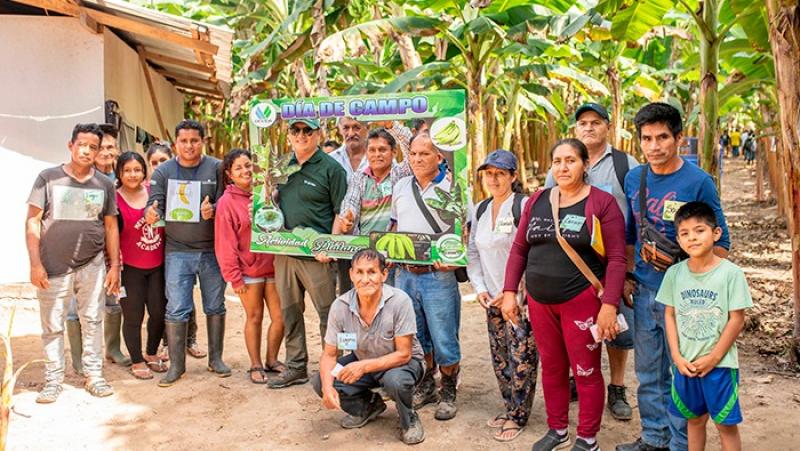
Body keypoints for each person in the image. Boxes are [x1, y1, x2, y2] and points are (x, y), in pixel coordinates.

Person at [617, 103, 730, 451]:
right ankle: (654, 438)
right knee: (648, 372)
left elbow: (721, 242)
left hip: (685, 299)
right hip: (646, 290)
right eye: (647, 138)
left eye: (663, 137)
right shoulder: (634, 178)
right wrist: (626, 276)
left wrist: (695, 283)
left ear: (679, 138)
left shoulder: (699, 182)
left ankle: (682, 444)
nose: (654, 145)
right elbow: (630, 232)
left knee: (685, 373)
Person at [502, 138, 626, 451]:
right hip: (540, 302)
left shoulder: (601, 203)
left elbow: (617, 258)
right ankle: (557, 430)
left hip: (581, 301)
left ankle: (587, 437)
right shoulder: (538, 200)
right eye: (557, 161)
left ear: (585, 164)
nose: (563, 167)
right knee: (553, 368)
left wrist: (609, 305)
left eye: (570, 160)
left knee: (585, 371)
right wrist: (508, 292)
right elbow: (519, 249)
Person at [545, 103, 639, 421]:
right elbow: (547, 212)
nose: (588, 128)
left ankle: (616, 387)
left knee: (615, 330)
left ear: (608, 126)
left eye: (595, 122)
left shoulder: (626, 165)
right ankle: (579, 378)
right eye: (582, 123)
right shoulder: (559, 165)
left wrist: (628, 272)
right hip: (572, 266)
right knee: (573, 330)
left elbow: (636, 222)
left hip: (613, 264)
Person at [26, 123, 119, 402]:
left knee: (92, 319)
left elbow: (111, 226)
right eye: (82, 144)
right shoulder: (48, 178)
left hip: (92, 264)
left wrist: (114, 266)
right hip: (52, 266)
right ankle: (53, 380)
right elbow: (33, 220)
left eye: (94, 147)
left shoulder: (103, 183)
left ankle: (94, 376)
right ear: (70, 145)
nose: (87, 151)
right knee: (52, 325)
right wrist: (35, 264)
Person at [658, 202, 751, 451]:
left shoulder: (731, 274)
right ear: (678, 239)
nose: (692, 238)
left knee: (725, 425)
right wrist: (676, 357)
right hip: (686, 366)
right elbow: (670, 314)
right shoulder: (674, 274)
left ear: (716, 233)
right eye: (685, 233)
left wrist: (714, 357)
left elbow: (737, 319)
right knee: (694, 420)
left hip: (720, 367)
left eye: (699, 230)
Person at [145, 119, 230, 387]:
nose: (189, 145)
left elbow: (226, 202)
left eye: (195, 140)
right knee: (177, 308)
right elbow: (154, 204)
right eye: (184, 141)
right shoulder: (164, 172)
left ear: (202, 142)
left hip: (211, 251)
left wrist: (213, 210)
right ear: (175, 144)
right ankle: (177, 366)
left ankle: (216, 360)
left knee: (215, 305)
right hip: (177, 251)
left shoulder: (216, 168)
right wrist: (151, 213)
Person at [312, 249, 426, 445]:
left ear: (384, 274)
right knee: (321, 381)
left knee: (396, 381)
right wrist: (328, 388)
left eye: (372, 272)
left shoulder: (399, 301)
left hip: (401, 364)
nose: (366, 279)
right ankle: (368, 406)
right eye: (360, 272)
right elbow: (329, 355)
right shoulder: (340, 306)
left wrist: (363, 367)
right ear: (351, 275)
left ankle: (409, 418)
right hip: (362, 359)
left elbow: (404, 354)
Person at [267, 118, 348, 389]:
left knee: (329, 314)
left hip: (318, 257)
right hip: (285, 253)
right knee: (290, 312)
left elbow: (340, 211)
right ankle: (296, 366)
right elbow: (269, 199)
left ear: (318, 134)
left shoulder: (331, 169)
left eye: (307, 131)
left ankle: (335, 368)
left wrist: (332, 247)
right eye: (296, 130)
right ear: (289, 134)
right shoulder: (281, 165)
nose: (301, 135)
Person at [467, 150, 538, 442]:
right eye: (489, 173)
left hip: (520, 301)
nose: (493, 179)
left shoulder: (523, 206)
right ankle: (510, 407)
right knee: (500, 359)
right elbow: (472, 251)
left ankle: (519, 416)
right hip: (491, 299)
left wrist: (515, 293)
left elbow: (533, 254)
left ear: (513, 176)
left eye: (500, 173)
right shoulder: (481, 208)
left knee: (522, 358)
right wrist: (480, 289)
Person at [391, 133, 462, 421]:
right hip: (405, 274)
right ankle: (427, 385)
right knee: (417, 336)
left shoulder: (452, 188)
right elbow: (395, 224)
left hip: (438, 276)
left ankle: (449, 390)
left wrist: (453, 260)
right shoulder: (400, 186)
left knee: (444, 336)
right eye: (414, 154)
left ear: (439, 157)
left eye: (425, 153)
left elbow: (462, 231)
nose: (418, 159)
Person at [215, 149, 286, 384]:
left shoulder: (267, 194)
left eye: (248, 165)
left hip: (274, 267)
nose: (245, 171)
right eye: (238, 168)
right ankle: (255, 364)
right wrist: (234, 277)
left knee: (281, 316)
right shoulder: (227, 202)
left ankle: (272, 359)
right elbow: (225, 243)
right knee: (254, 317)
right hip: (248, 272)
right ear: (229, 174)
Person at [66, 123, 131, 373]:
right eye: (101, 147)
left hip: (113, 251)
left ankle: (113, 349)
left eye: (111, 147)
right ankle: (79, 358)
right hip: (80, 252)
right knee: (76, 307)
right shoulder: (81, 178)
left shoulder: (122, 177)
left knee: (114, 301)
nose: (106, 152)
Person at [145, 142, 206, 360]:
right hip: (152, 254)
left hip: (178, 249)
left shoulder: (186, 185)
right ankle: (166, 343)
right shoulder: (146, 189)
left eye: (163, 160)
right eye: (153, 162)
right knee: (163, 300)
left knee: (184, 296)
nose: (158, 165)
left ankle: (190, 339)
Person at [332, 128, 412, 286]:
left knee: (392, 303)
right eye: (372, 150)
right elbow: (350, 202)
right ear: (366, 153)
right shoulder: (359, 177)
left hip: (393, 255)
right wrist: (347, 216)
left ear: (393, 152)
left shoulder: (401, 173)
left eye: (382, 150)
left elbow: (411, 147)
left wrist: (392, 125)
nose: (377, 154)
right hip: (366, 255)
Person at [115, 151, 167, 380]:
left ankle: (151, 353)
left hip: (157, 265)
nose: (133, 174)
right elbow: (109, 232)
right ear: (119, 173)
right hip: (130, 269)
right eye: (127, 170)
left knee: (158, 312)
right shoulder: (114, 198)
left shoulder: (154, 192)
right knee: (133, 316)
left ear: (144, 171)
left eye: (137, 170)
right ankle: (136, 360)